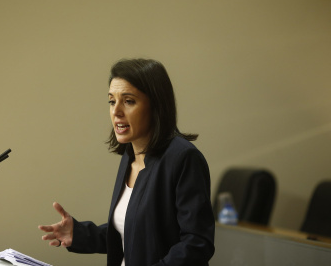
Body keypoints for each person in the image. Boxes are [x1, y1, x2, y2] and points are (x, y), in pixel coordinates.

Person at [38, 58, 215, 266]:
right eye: (112, 101)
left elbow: (197, 243)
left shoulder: (183, 158)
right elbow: (133, 234)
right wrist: (79, 234)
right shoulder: (130, 157)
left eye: (128, 101)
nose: (116, 111)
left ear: (156, 105)